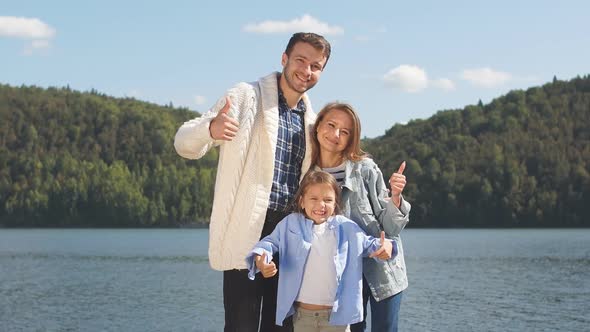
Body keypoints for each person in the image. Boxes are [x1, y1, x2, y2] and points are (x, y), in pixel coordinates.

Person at [173, 32, 331, 331]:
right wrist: (210, 128)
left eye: (316, 66)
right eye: (300, 60)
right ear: (284, 59)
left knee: (281, 325)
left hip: (289, 235)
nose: (306, 71)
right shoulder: (246, 96)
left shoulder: (312, 121)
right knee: (240, 324)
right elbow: (183, 142)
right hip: (247, 230)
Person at [245, 170, 398, 332]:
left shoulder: (346, 227)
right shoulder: (290, 224)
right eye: (314, 199)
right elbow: (269, 243)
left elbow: (371, 244)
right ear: (302, 201)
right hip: (302, 316)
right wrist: (261, 259)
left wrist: (387, 246)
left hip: (337, 318)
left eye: (328, 200)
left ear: (335, 204)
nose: (321, 205)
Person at [309, 102, 411, 332]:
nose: (335, 135)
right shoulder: (308, 176)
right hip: (341, 277)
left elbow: (391, 229)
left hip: (383, 271)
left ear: (351, 139)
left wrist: (395, 197)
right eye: (331, 125)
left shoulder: (365, 169)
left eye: (345, 132)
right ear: (318, 126)